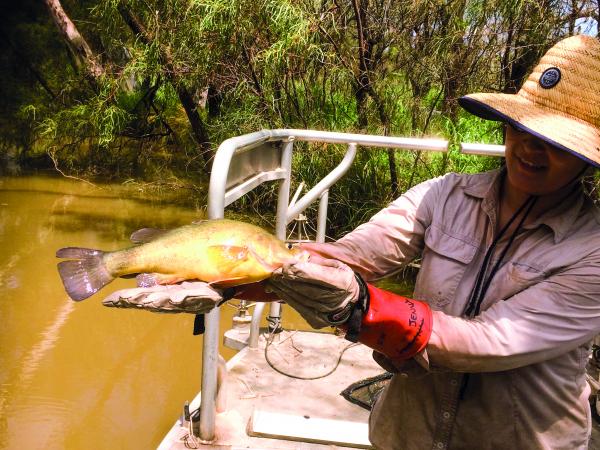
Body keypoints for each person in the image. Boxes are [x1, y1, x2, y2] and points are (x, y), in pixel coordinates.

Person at [103, 35, 600, 449]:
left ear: (587, 158)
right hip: (407, 432)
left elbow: (488, 342)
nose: (532, 148)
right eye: (524, 128)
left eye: (557, 142)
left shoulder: (592, 252)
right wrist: (240, 281)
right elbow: (354, 254)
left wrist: (362, 306)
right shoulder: (445, 195)